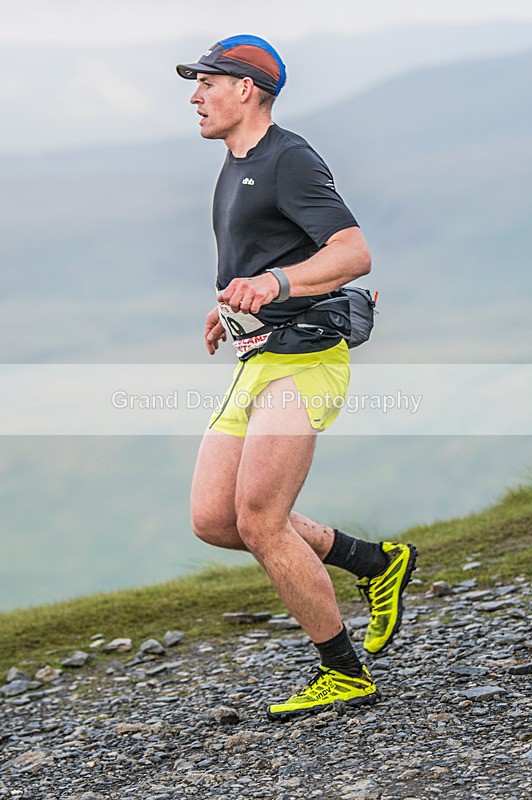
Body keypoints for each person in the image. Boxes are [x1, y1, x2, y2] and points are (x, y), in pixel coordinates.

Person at [176, 34, 417, 720]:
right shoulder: (235, 163)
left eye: (206, 84)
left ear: (243, 89)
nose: (195, 97)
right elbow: (261, 254)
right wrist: (228, 305)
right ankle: (373, 563)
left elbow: (353, 252)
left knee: (259, 518)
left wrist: (275, 283)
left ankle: (343, 672)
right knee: (215, 520)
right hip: (259, 358)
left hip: (306, 358)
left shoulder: (289, 159)